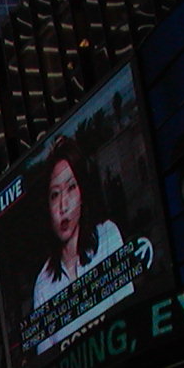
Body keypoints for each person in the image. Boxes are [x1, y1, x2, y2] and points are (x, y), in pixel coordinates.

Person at [30, 135, 130, 352]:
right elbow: (47, 360)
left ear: (82, 192)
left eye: (71, 188)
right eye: (55, 195)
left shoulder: (107, 236)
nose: (63, 206)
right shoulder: (43, 284)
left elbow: (129, 312)